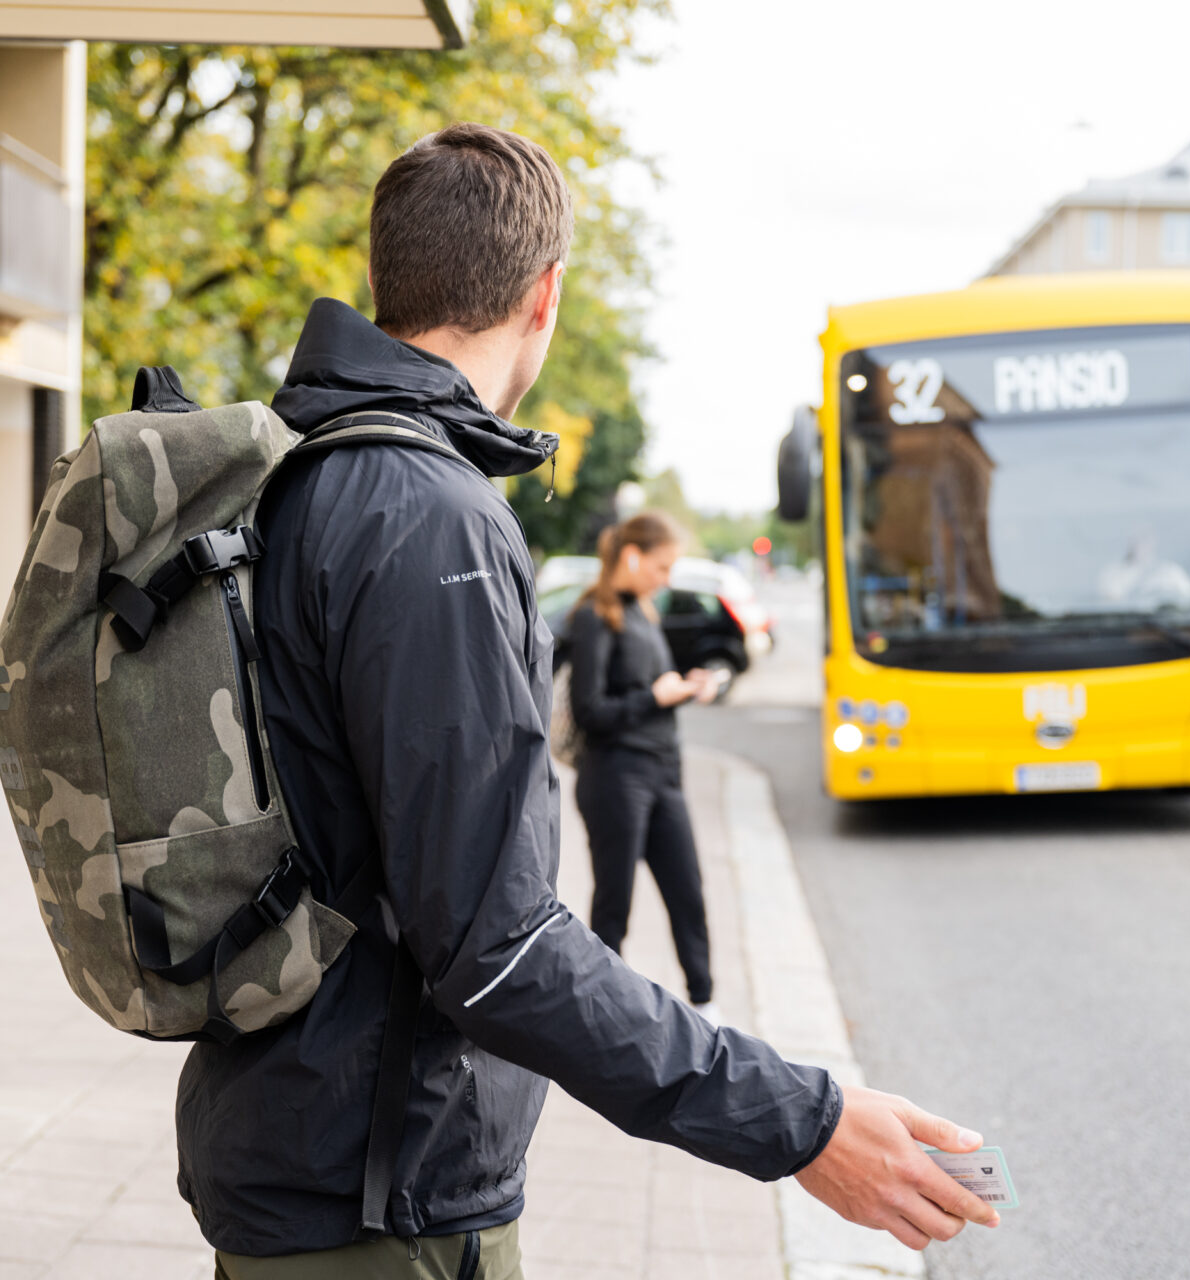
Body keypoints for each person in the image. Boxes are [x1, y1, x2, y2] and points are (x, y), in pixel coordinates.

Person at [182, 122, 1000, 1279]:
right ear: (544, 295)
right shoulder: (427, 512)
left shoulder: (307, 472)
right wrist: (802, 1122)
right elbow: (498, 947)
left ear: (388, 276)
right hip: (379, 1201)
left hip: (305, 1146)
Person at [564, 512, 719, 1020]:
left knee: (688, 893)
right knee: (615, 903)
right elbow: (590, 712)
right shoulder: (594, 616)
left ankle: (705, 1006)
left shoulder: (644, 612)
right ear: (631, 556)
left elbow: (655, 686)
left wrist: (689, 685)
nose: (666, 578)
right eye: (662, 566)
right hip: (615, 775)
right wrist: (653, 697)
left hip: (662, 773)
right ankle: (602, 1015)